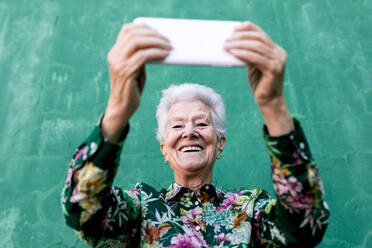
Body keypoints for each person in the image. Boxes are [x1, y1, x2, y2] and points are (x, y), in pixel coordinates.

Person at [61, 21, 329, 247]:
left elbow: (305, 226)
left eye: (201, 124)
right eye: (177, 126)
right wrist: (118, 109)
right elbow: (82, 209)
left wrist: (274, 105)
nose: (189, 132)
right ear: (164, 149)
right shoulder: (139, 208)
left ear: (220, 143)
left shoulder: (252, 208)